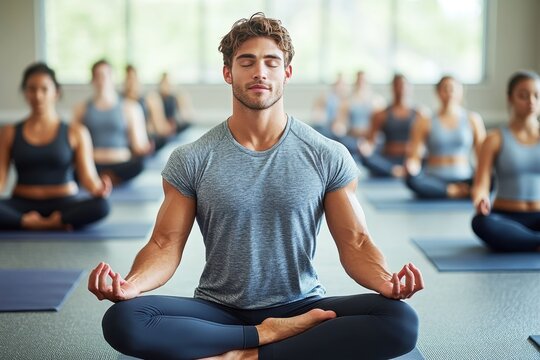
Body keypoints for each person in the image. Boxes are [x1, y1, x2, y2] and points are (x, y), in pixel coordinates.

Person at [88, 13, 423, 359]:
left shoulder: (326, 155)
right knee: (124, 319)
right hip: (219, 310)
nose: (260, 72)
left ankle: (246, 353)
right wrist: (131, 285)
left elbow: (356, 242)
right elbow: (164, 243)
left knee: (399, 320)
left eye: (271, 62)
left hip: (302, 306)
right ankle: (264, 337)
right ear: (228, 73)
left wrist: (384, 280)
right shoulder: (192, 157)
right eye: (246, 62)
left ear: (287, 73)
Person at [0, 62, 111, 230]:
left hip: (65, 203)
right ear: (25, 93)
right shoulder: (9, 132)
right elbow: (1, 180)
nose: (38, 96)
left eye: (44, 89)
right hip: (21, 204)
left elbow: (88, 178)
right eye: (32, 89)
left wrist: (98, 189)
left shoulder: (76, 132)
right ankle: (34, 222)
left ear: (56, 93)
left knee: (102, 206)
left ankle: (45, 222)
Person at [471, 70, 540, 252]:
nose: (531, 101)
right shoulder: (494, 138)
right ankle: (534, 241)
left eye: (536, 95)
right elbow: (481, 183)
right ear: (510, 98)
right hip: (505, 217)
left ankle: (527, 241)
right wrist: (481, 199)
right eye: (523, 96)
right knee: (480, 223)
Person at [72, 59, 152, 185]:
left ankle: (103, 179)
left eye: (106, 75)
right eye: (98, 76)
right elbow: (73, 142)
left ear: (113, 77)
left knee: (140, 164)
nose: (102, 79)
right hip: (93, 163)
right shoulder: (82, 109)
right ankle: (101, 178)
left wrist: (144, 148)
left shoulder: (130, 107)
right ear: (92, 79)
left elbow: (138, 144)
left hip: (121, 163)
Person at [405, 76, 486, 198]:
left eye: (452, 89)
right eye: (445, 89)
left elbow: (483, 156)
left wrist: (483, 178)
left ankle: (452, 191)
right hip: (434, 179)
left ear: (461, 92)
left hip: (465, 178)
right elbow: (415, 156)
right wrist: (412, 166)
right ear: (437, 92)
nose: (449, 93)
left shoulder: (473, 119)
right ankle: (453, 191)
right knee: (411, 180)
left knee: (491, 180)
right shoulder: (424, 121)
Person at [360, 74, 422, 178]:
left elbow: (423, 143)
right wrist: (365, 148)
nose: (401, 88)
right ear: (392, 88)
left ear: (410, 88)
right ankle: (396, 171)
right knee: (366, 158)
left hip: (410, 159)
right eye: (397, 85)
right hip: (388, 160)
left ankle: (406, 170)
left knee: (419, 164)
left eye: (404, 85)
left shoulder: (419, 114)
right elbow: (371, 141)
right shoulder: (381, 114)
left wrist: (414, 160)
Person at [123, 64, 175, 152]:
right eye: (129, 79)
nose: (131, 82)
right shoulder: (121, 102)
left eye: (133, 79)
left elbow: (154, 125)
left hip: (146, 135)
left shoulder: (145, 100)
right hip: (131, 139)